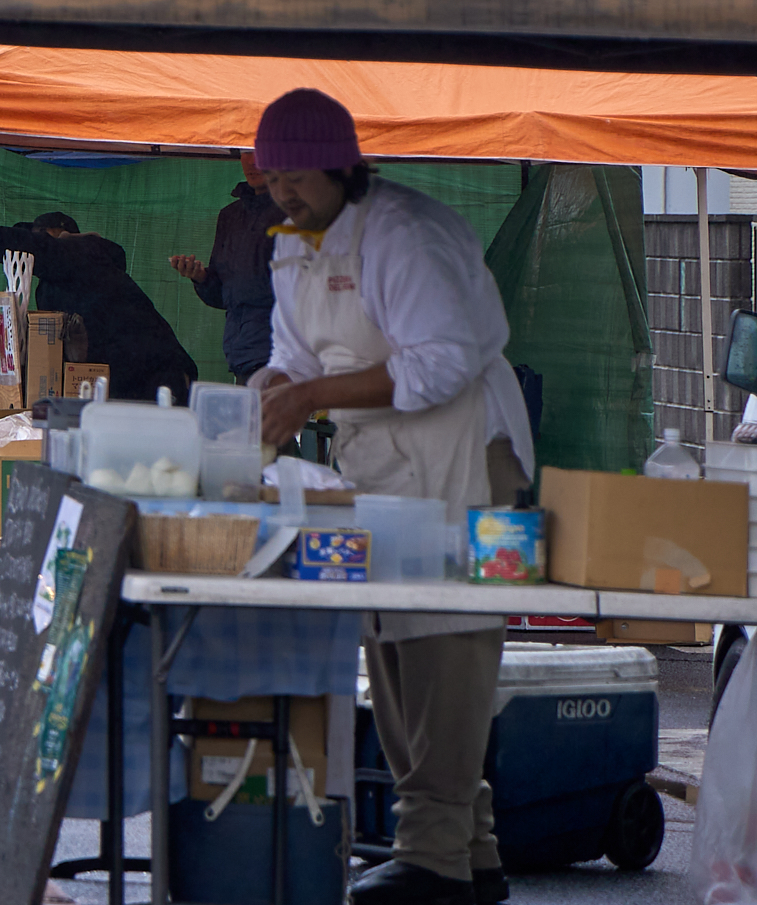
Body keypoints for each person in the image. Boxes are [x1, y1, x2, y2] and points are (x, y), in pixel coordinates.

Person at [249, 88, 535, 905]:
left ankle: (432, 855)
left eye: (298, 175)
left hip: (471, 459)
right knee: (394, 643)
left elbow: (441, 360)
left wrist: (309, 399)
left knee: (452, 643)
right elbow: (290, 356)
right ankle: (471, 854)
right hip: (381, 465)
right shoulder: (293, 246)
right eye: (273, 179)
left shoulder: (403, 233)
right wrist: (271, 393)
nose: (285, 193)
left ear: (344, 166)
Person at [0, 201, 199, 404]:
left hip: (159, 382)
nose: (38, 252)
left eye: (44, 242)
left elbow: (39, 249)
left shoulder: (83, 253)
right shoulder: (54, 285)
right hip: (125, 385)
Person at [173, 159, 282, 383]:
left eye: (258, 151)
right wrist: (200, 277)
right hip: (241, 350)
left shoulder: (297, 212)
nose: (251, 162)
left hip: (285, 350)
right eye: (244, 153)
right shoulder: (230, 215)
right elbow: (222, 294)